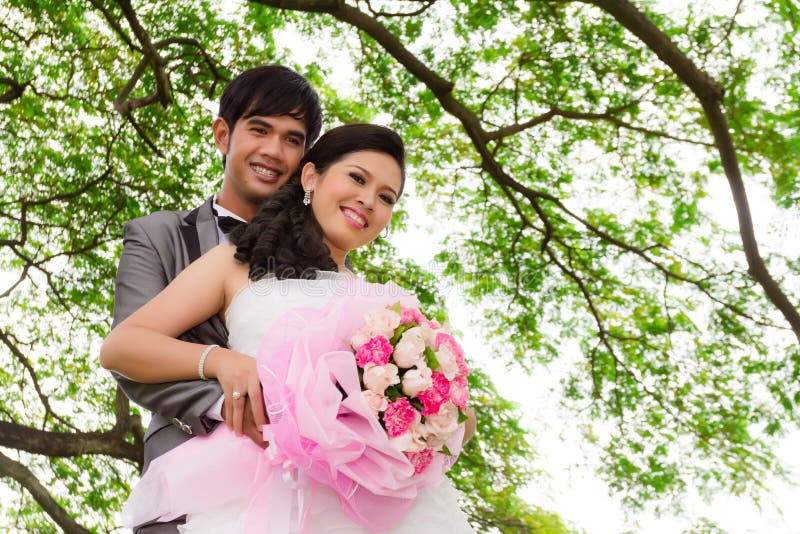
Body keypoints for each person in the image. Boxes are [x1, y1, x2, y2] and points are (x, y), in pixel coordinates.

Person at [101, 124, 476, 532]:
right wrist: (220, 361)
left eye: (386, 197)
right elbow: (122, 347)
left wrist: (430, 412)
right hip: (263, 487)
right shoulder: (236, 265)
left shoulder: (386, 308)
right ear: (311, 177)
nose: (369, 200)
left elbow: (460, 421)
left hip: (371, 507)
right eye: (357, 178)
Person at [110, 65, 322, 532]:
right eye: (260, 129)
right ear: (223, 135)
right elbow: (129, 357)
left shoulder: (326, 261)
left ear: (307, 162)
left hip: (310, 494)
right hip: (188, 488)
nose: (273, 150)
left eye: (292, 139)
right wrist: (233, 388)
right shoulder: (158, 236)